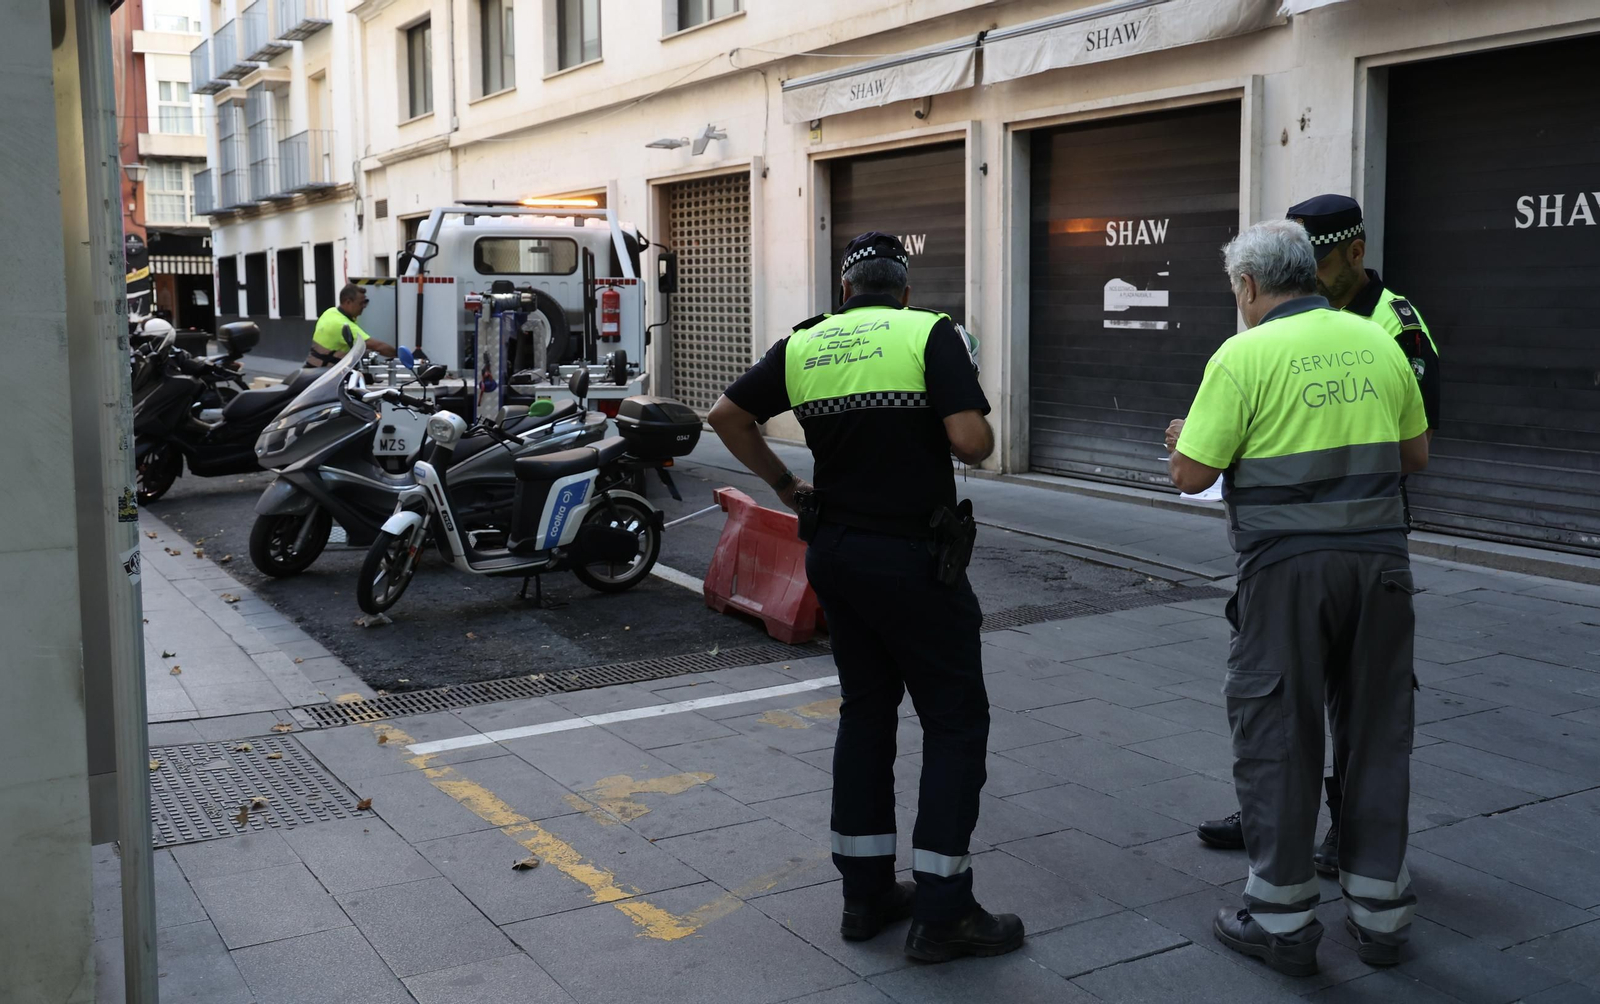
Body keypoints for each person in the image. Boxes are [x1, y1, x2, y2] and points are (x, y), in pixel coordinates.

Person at [707, 232, 1022, 964]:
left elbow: (726, 416)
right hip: (915, 558)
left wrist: (787, 486)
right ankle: (944, 911)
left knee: (866, 713)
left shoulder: (806, 342)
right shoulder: (929, 333)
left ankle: (866, 895)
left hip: (837, 555)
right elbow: (973, 443)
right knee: (953, 721)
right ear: (903, 291)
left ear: (845, 291)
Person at [1165, 219, 1428, 976]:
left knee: (1278, 730)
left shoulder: (1242, 355)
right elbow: (1415, 454)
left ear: (1249, 285)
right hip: (1382, 567)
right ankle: (1381, 915)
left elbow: (1191, 474)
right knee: (1378, 729)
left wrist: (1188, 441)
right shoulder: (1377, 340)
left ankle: (1281, 922)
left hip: (1286, 573)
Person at [307, 283, 397, 366]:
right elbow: (378, 346)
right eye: (361, 303)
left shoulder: (331, 312)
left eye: (366, 302)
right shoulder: (342, 324)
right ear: (348, 302)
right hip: (326, 372)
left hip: (316, 367)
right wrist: (398, 355)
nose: (364, 306)